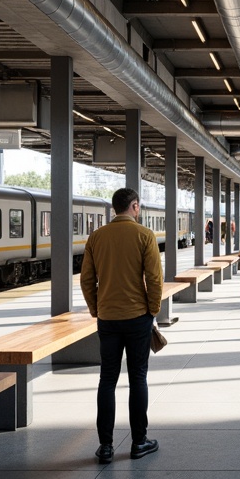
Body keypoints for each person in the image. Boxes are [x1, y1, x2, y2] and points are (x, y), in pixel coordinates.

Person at [81, 187, 162, 463]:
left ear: (115, 208)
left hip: (108, 319)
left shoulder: (97, 237)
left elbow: (86, 279)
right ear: (135, 206)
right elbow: (154, 279)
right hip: (137, 317)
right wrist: (153, 310)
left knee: (107, 378)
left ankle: (105, 446)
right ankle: (139, 442)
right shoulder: (144, 235)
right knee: (138, 377)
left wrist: (96, 308)